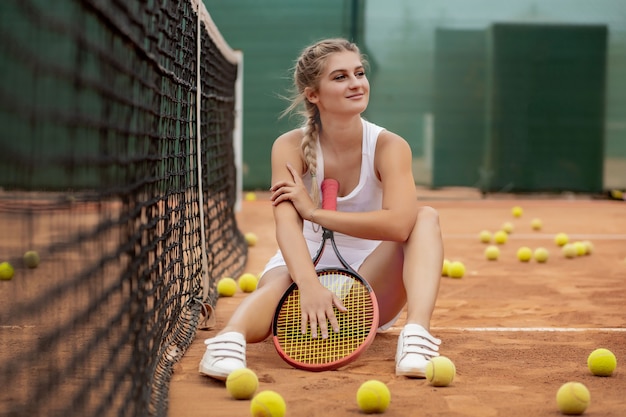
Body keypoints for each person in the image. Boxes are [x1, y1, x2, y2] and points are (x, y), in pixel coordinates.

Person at [199, 38, 444, 380]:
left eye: (359, 73)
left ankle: (416, 336)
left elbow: (400, 226)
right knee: (278, 281)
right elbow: (286, 227)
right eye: (340, 77)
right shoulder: (288, 146)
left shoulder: (390, 146)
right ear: (313, 94)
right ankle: (228, 342)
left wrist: (315, 214)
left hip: (370, 280)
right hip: (302, 266)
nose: (356, 83)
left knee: (425, 218)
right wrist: (310, 284)